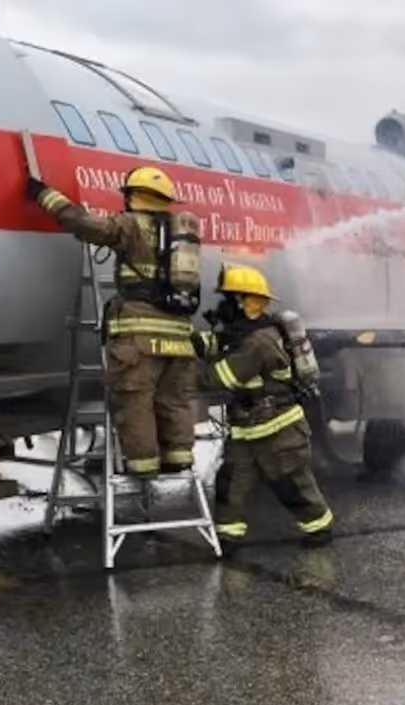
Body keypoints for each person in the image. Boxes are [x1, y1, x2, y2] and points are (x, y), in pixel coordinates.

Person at [28, 166, 202, 476]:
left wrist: (45, 195)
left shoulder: (131, 225)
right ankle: (178, 459)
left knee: (135, 401)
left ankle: (142, 466)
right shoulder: (180, 234)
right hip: (180, 336)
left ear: (134, 197)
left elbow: (82, 224)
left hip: (140, 336)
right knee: (174, 401)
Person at [194, 265, 334, 551]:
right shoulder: (247, 334)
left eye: (231, 299)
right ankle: (228, 537)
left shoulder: (260, 341)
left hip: (279, 429)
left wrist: (184, 371)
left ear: (251, 303)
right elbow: (224, 343)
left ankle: (320, 528)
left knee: (291, 484)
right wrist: (194, 342)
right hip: (248, 427)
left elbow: (223, 376)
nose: (224, 305)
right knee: (231, 482)